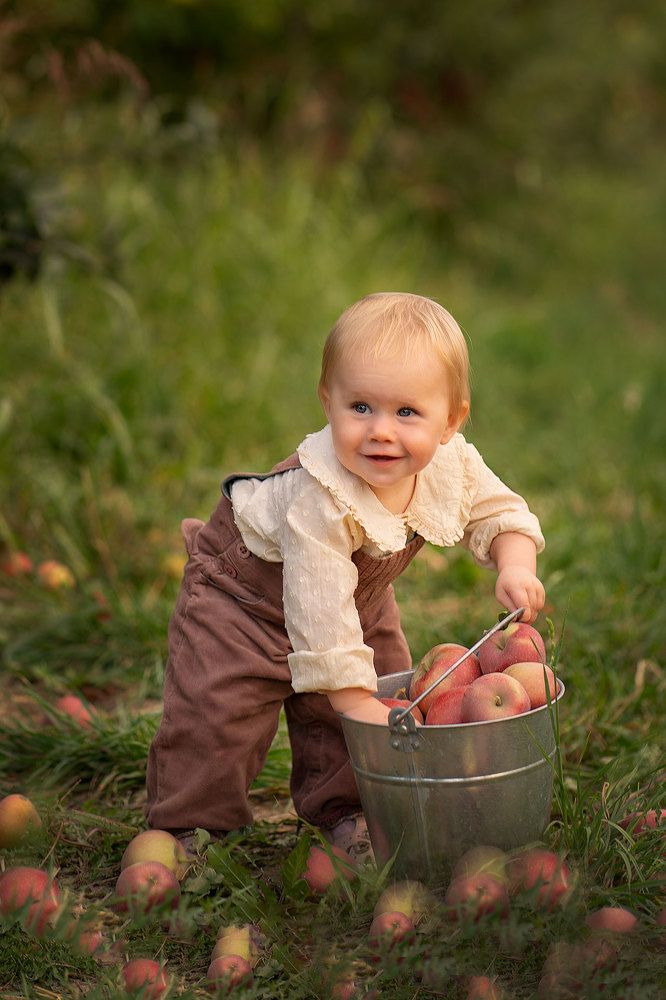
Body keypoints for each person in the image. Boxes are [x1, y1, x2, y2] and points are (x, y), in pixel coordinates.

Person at [145, 292, 545, 860]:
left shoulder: (452, 462)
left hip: (356, 602)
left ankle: (350, 811)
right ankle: (188, 828)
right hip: (241, 604)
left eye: (406, 413)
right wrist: (353, 700)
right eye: (360, 407)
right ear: (327, 400)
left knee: (379, 698)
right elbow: (318, 606)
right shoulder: (321, 496)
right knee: (218, 718)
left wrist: (514, 562)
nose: (381, 431)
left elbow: (499, 510)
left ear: (451, 419)